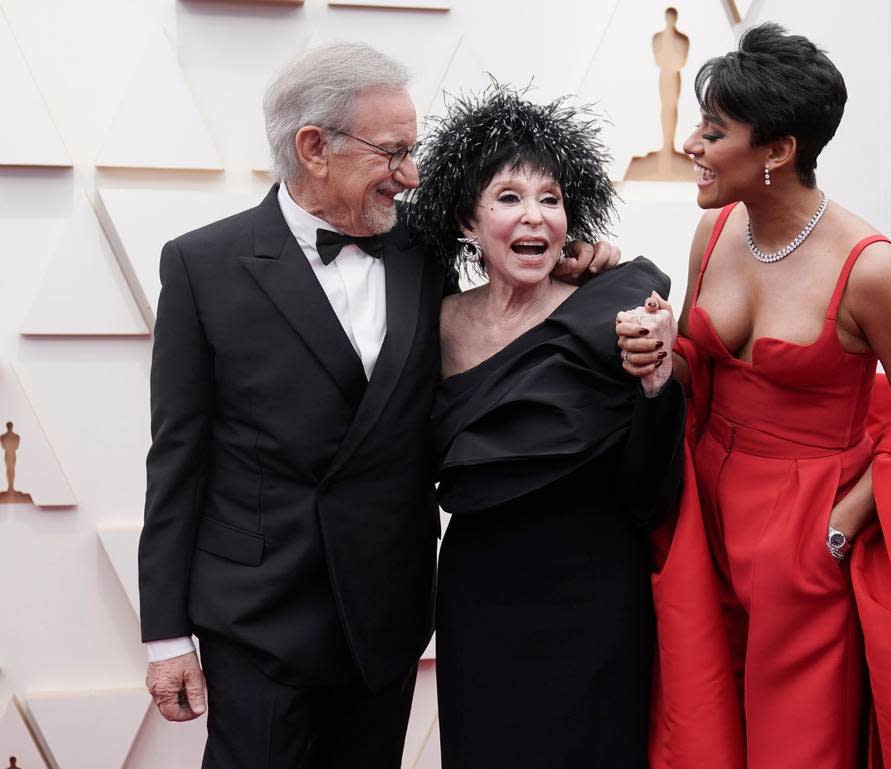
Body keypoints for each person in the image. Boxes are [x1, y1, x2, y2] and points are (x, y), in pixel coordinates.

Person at [137, 43, 619, 769]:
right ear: (314, 149)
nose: (412, 174)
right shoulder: (202, 265)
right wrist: (167, 635)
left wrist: (583, 261)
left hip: (385, 616)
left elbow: (513, 264)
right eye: (392, 152)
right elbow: (177, 456)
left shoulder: (422, 250)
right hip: (258, 617)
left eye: (413, 151)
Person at [617, 23, 891, 769]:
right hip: (707, 519)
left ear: (778, 151)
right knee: (702, 733)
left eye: (714, 130)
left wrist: (839, 528)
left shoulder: (873, 270)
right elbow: (704, 366)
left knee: (799, 748)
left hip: (806, 539)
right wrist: (665, 355)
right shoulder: (717, 230)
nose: (691, 143)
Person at [410, 84, 685, 769]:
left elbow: (652, 496)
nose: (534, 215)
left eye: (550, 198)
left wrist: (658, 384)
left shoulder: (612, 312)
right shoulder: (432, 325)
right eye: (508, 197)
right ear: (466, 221)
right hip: (481, 598)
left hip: (595, 595)